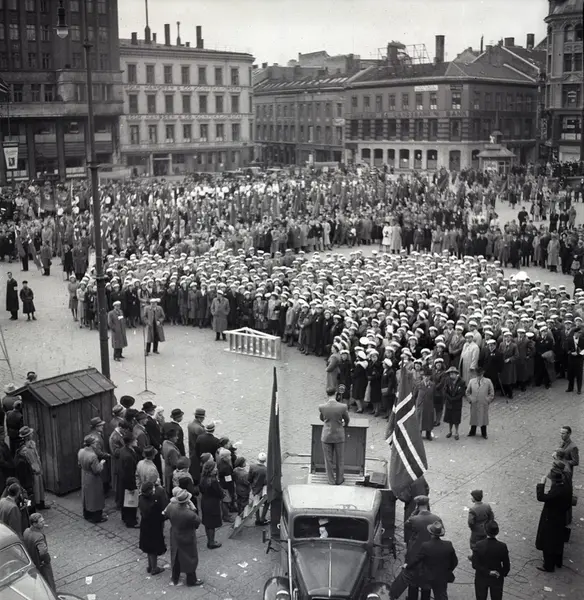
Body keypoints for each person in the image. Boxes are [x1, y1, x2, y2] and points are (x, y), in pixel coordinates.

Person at [390, 495, 443, 600]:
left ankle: (412, 598)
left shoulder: (414, 519)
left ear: (417, 505)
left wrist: (414, 512)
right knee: (427, 581)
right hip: (431, 555)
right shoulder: (436, 519)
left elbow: (407, 525)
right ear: (427, 504)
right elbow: (441, 532)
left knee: (413, 579)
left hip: (415, 552)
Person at [394, 521, 458, 600]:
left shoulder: (426, 546)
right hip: (442, 577)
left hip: (428, 576)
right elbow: (454, 562)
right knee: (441, 596)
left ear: (431, 533)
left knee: (419, 583)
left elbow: (416, 560)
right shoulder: (448, 545)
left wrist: (407, 566)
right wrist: (447, 570)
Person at [164, 487, 204, 586]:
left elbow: (166, 515)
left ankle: (175, 577)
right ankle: (191, 580)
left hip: (175, 534)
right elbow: (197, 522)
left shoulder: (171, 507)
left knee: (176, 556)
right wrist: (192, 508)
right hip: (187, 536)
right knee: (190, 558)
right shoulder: (189, 514)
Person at [535, 465, 572, 572]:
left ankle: (548, 565)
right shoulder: (565, 486)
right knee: (557, 540)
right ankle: (557, 561)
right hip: (560, 516)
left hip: (551, 518)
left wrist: (541, 484)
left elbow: (541, 497)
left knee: (548, 541)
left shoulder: (556, 491)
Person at [318, 387, 350, 485]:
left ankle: (331, 480)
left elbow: (322, 418)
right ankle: (339, 479)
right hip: (339, 436)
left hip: (326, 436)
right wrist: (344, 424)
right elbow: (347, 419)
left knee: (328, 460)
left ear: (327, 394)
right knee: (340, 459)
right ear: (336, 393)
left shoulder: (322, 407)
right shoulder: (343, 407)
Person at [472, 520, 510, 600]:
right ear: (497, 532)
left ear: (485, 531)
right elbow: (506, 566)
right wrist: (501, 574)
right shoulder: (502, 546)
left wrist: (488, 572)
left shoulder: (479, 545)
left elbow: (475, 564)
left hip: (481, 577)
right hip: (496, 578)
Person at [138, 481, 168, 576]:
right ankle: (154, 568)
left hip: (145, 526)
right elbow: (159, 515)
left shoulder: (141, 498)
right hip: (154, 527)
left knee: (148, 548)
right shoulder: (153, 502)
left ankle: (150, 565)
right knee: (153, 548)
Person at [15, 426, 48, 511]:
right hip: (33, 469)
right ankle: (36, 504)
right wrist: (34, 468)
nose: (32, 434)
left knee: (40, 486)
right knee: (35, 487)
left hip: (37, 466)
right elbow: (29, 460)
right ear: (27, 436)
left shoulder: (32, 444)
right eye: (30, 434)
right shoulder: (25, 448)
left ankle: (41, 502)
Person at [77, 435, 107, 524]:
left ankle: (87, 514)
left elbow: (79, 464)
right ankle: (96, 517)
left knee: (87, 496)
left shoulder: (81, 451)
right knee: (95, 497)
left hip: (84, 475)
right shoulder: (93, 456)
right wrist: (101, 463)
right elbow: (97, 470)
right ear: (91, 444)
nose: (97, 444)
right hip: (93, 479)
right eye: (95, 442)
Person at [23, 513, 55, 591]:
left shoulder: (26, 531)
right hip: (41, 563)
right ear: (34, 524)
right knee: (49, 582)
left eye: (43, 520)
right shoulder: (38, 536)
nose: (43, 522)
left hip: (32, 561)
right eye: (41, 522)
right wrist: (47, 561)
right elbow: (43, 552)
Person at [198, 460, 223, 549]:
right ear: (211, 470)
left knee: (207, 523)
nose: (216, 469)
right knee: (212, 524)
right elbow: (219, 493)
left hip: (205, 501)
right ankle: (211, 542)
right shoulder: (213, 481)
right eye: (215, 468)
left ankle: (210, 540)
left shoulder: (202, 478)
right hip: (213, 503)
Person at [466, 368, 495, 440]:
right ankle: (472, 431)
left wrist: (487, 400)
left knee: (483, 418)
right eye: (477, 375)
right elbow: (467, 392)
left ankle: (484, 433)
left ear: (482, 374)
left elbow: (491, 392)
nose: (479, 376)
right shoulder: (471, 381)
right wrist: (470, 399)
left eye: (480, 375)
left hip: (483, 403)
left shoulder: (488, 381)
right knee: (474, 417)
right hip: (474, 403)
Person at [118, 433, 139, 528]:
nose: (137, 441)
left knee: (125, 500)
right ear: (130, 442)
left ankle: (125, 517)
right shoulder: (128, 456)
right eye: (135, 440)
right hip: (129, 481)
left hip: (123, 480)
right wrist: (132, 486)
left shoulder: (123, 450)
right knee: (131, 501)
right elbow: (129, 473)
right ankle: (131, 521)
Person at [468, 490, 495, 554]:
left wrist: (473, 528)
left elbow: (470, 522)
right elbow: (491, 516)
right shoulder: (487, 506)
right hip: (486, 529)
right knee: (484, 542)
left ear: (475, 498)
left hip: (476, 531)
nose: (471, 498)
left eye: (472, 497)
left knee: (474, 544)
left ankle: (475, 556)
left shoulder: (472, 509)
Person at [443, 367, 466, 441]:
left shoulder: (462, 382)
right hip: (449, 402)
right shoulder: (447, 380)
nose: (451, 375)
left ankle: (456, 432)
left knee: (456, 419)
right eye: (450, 374)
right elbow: (445, 391)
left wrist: (454, 399)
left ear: (456, 374)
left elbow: (462, 393)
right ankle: (450, 431)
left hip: (457, 403)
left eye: (452, 374)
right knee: (449, 418)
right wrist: (449, 398)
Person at [142, 401, 163, 479]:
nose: (154, 410)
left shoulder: (150, 419)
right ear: (149, 410)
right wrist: (158, 444)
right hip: (155, 445)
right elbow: (151, 435)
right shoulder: (149, 421)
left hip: (156, 443)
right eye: (153, 409)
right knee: (157, 463)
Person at [187, 408, 206, 485]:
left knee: (193, 466)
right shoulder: (199, 428)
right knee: (198, 468)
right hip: (198, 451)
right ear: (200, 418)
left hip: (192, 448)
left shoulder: (190, 424)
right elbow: (202, 441)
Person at [564, 326, 584, 394]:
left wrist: (578, 354)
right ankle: (570, 388)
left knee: (579, 375)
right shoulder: (569, 340)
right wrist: (571, 353)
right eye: (578, 332)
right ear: (575, 333)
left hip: (579, 359)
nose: (579, 334)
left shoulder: (582, 340)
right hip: (571, 359)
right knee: (571, 374)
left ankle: (579, 389)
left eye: (580, 333)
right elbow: (566, 349)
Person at [162, 429, 181, 496]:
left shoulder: (165, 443)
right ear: (171, 438)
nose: (177, 438)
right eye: (175, 436)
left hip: (167, 469)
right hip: (171, 472)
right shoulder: (172, 450)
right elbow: (175, 464)